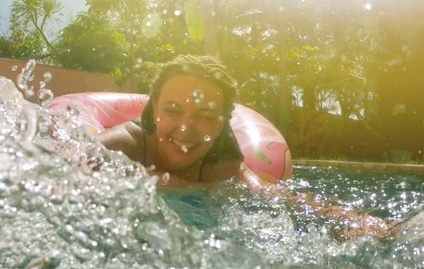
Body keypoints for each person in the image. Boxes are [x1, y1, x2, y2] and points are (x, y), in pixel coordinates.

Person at [97, 55, 398, 241]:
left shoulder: (221, 154)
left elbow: (273, 194)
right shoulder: (122, 146)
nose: (186, 129)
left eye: (205, 117)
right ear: (153, 111)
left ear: (221, 124)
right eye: (173, 111)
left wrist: (349, 219)